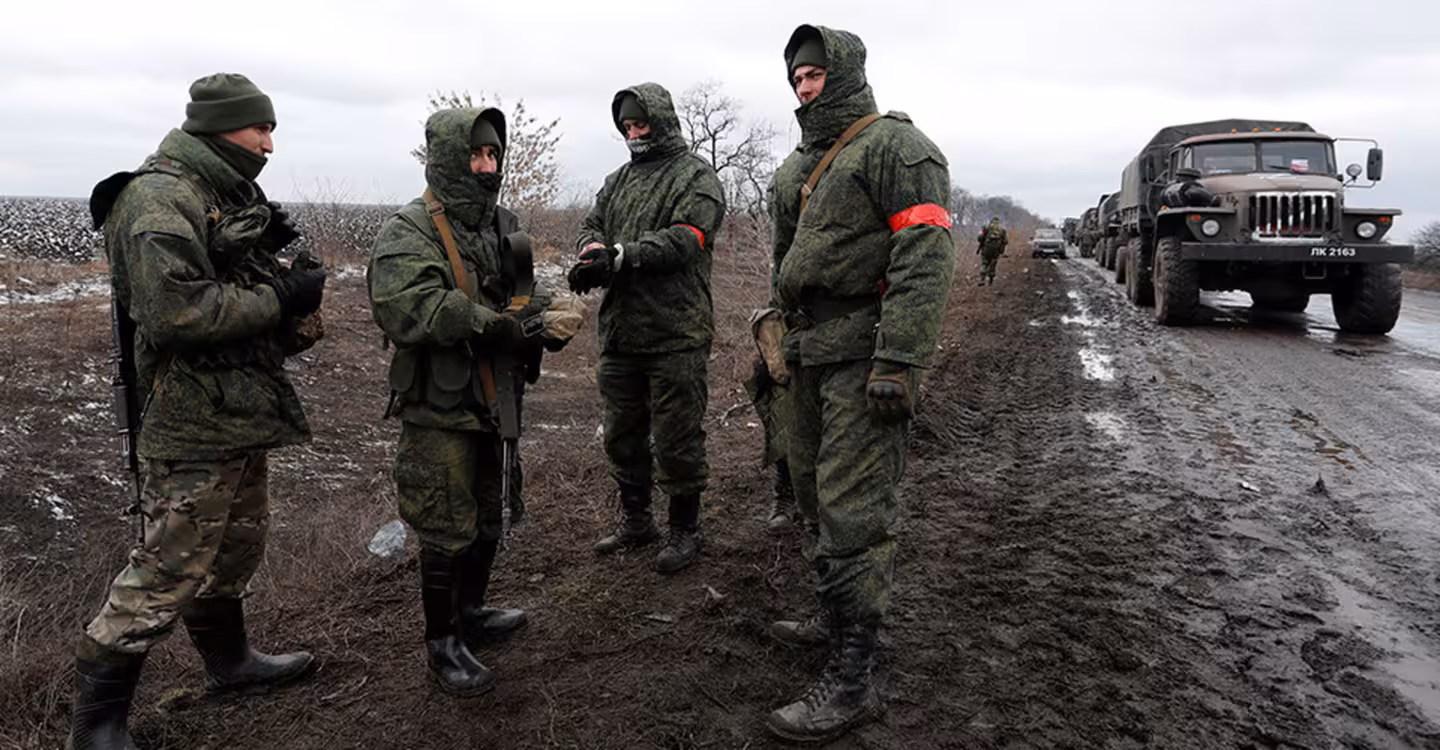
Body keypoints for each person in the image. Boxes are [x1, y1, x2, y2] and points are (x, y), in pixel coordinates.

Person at [73, 73, 325, 750]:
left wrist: (274, 265)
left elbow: (231, 284)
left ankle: (230, 663)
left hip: (239, 406)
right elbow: (177, 313)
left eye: (271, 129)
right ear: (217, 128)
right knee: (166, 566)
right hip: (188, 419)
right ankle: (95, 727)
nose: (268, 144)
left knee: (236, 546)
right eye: (259, 129)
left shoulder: (224, 193)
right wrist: (281, 299)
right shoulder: (159, 199)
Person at [764, 25, 956, 742]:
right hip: (807, 355)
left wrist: (899, 359)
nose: (805, 87)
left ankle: (855, 676)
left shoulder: (896, 148)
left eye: (814, 74)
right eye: (796, 78)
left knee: (854, 508)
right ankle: (833, 613)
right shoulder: (794, 168)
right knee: (813, 493)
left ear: (842, 72)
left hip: (864, 357)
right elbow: (785, 264)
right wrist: (773, 342)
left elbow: (925, 254)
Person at [367, 107, 569, 696]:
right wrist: (493, 326)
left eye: (493, 154)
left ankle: (472, 612)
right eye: (476, 154)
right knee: (444, 521)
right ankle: (443, 643)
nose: (487, 165)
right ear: (449, 159)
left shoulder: (501, 225)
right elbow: (411, 306)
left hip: (497, 396)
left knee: (489, 510)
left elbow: (521, 292)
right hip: (441, 404)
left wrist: (549, 314)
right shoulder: (409, 231)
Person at [567, 84, 726, 574]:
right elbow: (591, 224)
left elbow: (685, 239)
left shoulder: (695, 176)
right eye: (627, 127)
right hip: (621, 334)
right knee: (622, 434)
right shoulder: (617, 180)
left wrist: (621, 256)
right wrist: (592, 251)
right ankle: (637, 521)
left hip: (675, 333)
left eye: (641, 124)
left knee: (677, 437)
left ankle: (685, 529)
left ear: (661, 120)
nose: (634, 134)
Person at [977, 216, 1007, 286]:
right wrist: (1001, 250)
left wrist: (982, 243)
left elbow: (979, 237)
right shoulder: (1003, 230)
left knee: (984, 263)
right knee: (993, 263)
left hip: (986, 248)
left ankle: (982, 279)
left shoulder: (986, 227)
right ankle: (991, 280)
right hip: (996, 250)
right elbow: (1005, 241)